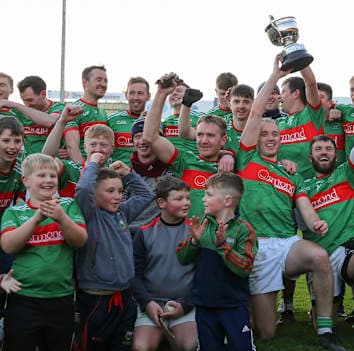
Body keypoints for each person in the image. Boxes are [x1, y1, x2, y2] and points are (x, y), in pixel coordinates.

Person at [238, 56, 341, 351]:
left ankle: (324, 331)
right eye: (265, 134)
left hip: (285, 243)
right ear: (256, 137)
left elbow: (305, 205)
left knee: (320, 257)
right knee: (266, 333)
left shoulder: (289, 173)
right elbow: (257, 111)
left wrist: (313, 222)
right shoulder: (247, 159)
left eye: (275, 134)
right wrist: (274, 75)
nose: (270, 138)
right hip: (258, 246)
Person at [298, 91, 354, 349]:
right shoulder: (302, 184)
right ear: (310, 156)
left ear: (335, 155)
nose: (324, 152)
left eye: (328, 148)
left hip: (347, 251)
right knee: (322, 323)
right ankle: (327, 327)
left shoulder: (347, 173)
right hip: (320, 257)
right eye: (318, 149)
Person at [0, 153, 87, 350]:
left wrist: (62, 219)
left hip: (61, 298)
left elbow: (80, 240)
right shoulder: (15, 212)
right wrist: (36, 219)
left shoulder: (68, 206)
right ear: (26, 181)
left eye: (52, 175)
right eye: (41, 175)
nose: (48, 180)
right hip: (24, 298)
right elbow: (8, 245)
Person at [74, 152, 153, 350]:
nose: (117, 196)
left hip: (125, 298)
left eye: (120, 191)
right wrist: (92, 163)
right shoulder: (88, 215)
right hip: (96, 301)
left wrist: (128, 174)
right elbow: (83, 190)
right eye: (110, 191)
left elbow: (146, 195)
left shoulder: (122, 213)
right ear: (95, 193)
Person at [178, 172, 257, 350]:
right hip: (205, 305)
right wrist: (194, 242)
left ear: (227, 201)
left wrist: (223, 247)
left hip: (234, 306)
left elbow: (245, 267)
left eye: (209, 194)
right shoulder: (202, 225)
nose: (203, 199)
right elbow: (182, 258)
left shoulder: (244, 230)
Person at [143, 73, 231, 218]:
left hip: (218, 238)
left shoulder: (233, 167)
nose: (203, 140)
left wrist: (228, 155)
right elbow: (150, 137)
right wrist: (161, 93)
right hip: (184, 237)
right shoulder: (185, 160)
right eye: (200, 134)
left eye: (210, 135)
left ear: (223, 140)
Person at [132, 177, 197, 351]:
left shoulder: (195, 232)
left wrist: (186, 305)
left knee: (191, 346)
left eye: (187, 198)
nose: (186, 203)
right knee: (141, 347)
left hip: (184, 304)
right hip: (153, 304)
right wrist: (147, 303)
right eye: (179, 199)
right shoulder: (144, 233)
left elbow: (203, 277)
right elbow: (135, 276)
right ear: (161, 202)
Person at [180, 84, 255, 158]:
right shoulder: (220, 124)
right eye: (236, 101)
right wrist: (186, 104)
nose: (241, 106)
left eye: (246, 102)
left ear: (253, 104)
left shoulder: (261, 127)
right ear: (229, 103)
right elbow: (186, 133)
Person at [0, 76, 65, 156]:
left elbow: (50, 121)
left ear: (43, 94)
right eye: (24, 101)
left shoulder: (59, 107)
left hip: (50, 164)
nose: (27, 105)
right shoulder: (21, 112)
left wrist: (17, 105)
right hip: (28, 165)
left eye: (30, 100)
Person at [63, 65, 109, 164]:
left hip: (100, 170)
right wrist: (86, 172)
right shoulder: (74, 110)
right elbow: (72, 147)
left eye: (105, 81)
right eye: (99, 80)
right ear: (85, 82)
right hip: (84, 172)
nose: (103, 84)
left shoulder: (103, 112)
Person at [107, 77, 151, 165]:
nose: (135, 97)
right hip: (118, 176)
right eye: (132, 93)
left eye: (140, 93)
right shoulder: (112, 120)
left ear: (148, 96)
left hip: (145, 176)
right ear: (126, 95)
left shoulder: (155, 123)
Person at [161, 80, 203, 156]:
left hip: (194, 163)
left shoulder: (200, 118)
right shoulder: (166, 121)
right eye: (171, 92)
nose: (174, 93)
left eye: (179, 91)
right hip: (171, 164)